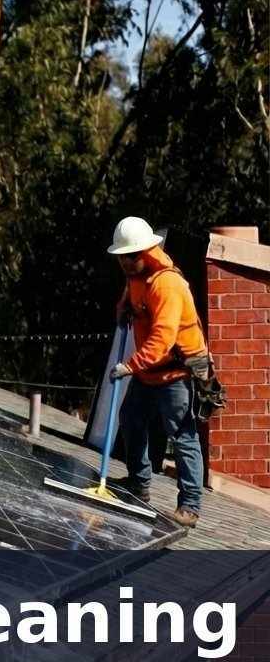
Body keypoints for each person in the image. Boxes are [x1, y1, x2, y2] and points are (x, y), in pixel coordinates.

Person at [107, 216, 207, 527]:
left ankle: (189, 506)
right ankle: (139, 483)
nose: (123, 262)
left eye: (128, 256)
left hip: (175, 372)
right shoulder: (135, 274)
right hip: (149, 371)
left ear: (145, 252)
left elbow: (163, 339)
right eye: (121, 257)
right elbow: (131, 302)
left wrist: (128, 366)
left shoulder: (167, 284)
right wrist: (123, 308)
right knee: (131, 420)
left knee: (182, 436)